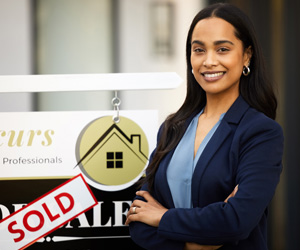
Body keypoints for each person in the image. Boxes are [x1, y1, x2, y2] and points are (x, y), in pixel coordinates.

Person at [125, 3, 284, 250]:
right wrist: (195, 246)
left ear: (246, 55)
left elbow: (236, 221)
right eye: (199, 50)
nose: (209, 61)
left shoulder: (260, 133)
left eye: (222, 49)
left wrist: (163, 217)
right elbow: (138, 218)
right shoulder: (172, 128)